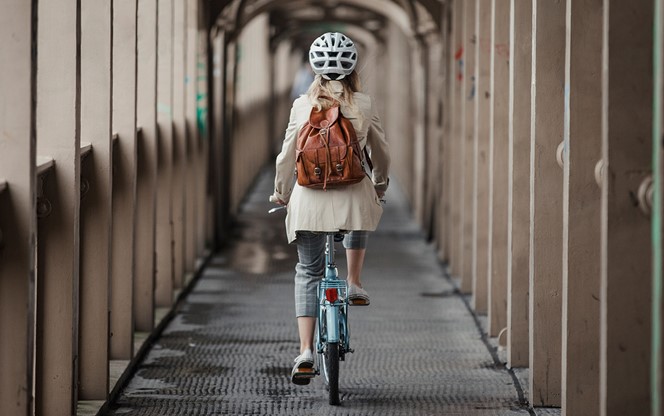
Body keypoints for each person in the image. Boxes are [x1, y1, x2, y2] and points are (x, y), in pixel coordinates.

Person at [269, 32, 391, 385]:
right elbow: (381, 154)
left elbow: (286, 157)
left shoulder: (301, 105)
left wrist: (281, 192)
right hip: (353, 196)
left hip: (309, 201)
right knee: (362, 205)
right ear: (353, 69)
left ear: (314, 70)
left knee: (308, 272)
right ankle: (353, 282)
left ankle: (306, 351)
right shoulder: (365, 104)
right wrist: (379, 184)